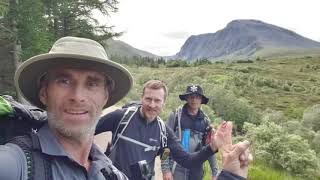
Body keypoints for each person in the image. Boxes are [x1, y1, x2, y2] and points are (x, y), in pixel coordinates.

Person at [0, 36, 132, 179]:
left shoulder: (113, 175)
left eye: (92, 83)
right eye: (64, 81)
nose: (77, 96)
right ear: (44, 93)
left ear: (105, 96)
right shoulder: (13, 165)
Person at [95, 80, 248, 180]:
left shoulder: (163, 131)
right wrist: (93, 160)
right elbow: (85, 132)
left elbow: (185, 159)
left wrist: (213, 147)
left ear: (164, 102)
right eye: (148, 99)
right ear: (142, 98)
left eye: (157, 100)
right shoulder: (121, 117)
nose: (152, 105)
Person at [162, 85, 218, 180]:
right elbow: (165, 144)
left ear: (201, 100)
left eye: (197, 97)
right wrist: (165, 169)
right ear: (186, 98)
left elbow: (210, 148)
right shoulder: (175, 116)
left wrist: (215, 172)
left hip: (197, 168)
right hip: (177, 167)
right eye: (191, 97)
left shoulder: (205, 121)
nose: (194, 100)